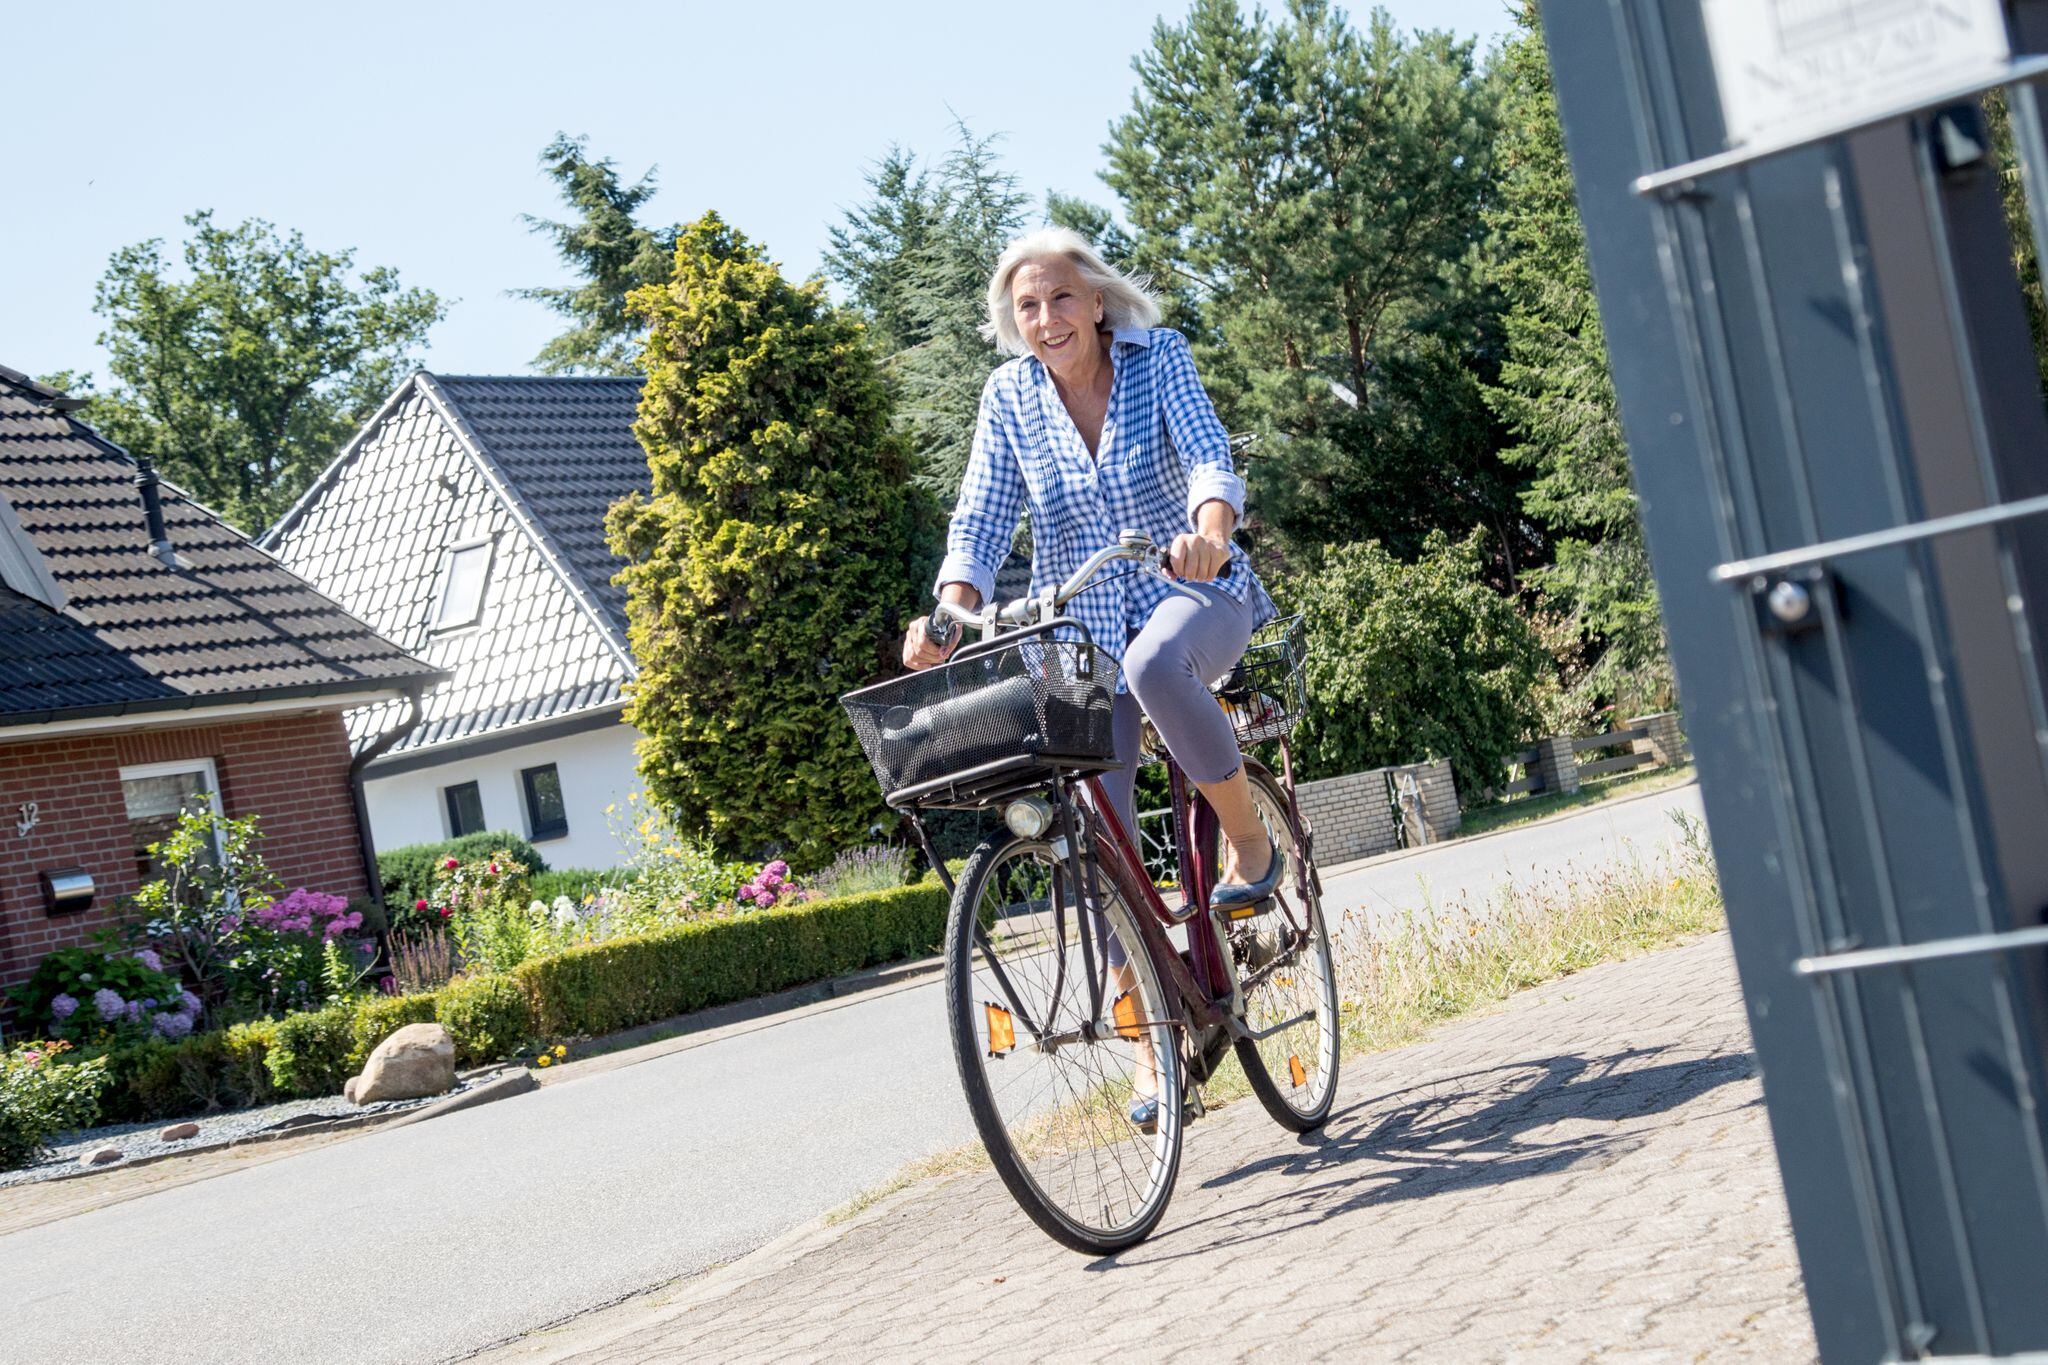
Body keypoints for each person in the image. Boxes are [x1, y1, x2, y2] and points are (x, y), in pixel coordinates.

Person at [901, 226, 1281, 1130]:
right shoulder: (1010, 398)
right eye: (1028, 307)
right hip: (1074, 629)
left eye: (1061, 298)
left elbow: (1205, 453)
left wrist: (1210, 532)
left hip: (1190, 593)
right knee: (1088, 834)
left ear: (1097, 300)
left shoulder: (1159, 359)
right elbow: (982, 521)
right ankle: (1156, 1056)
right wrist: (951, 615)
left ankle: (1249, 839)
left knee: (1155, 661)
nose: (1046, 318)